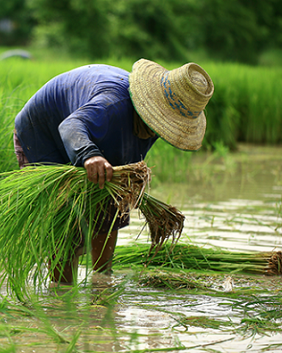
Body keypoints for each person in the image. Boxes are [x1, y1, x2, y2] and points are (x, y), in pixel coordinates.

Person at [13, 59, 214, 283]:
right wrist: (90, 155)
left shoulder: (153, 123)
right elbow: (70, 127)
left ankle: (102, 282)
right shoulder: (112, 104)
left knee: (111, 205)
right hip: (43, 132)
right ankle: (62, 295)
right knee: (65, 219)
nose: (163, 130)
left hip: (89, 131)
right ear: (151, 107)